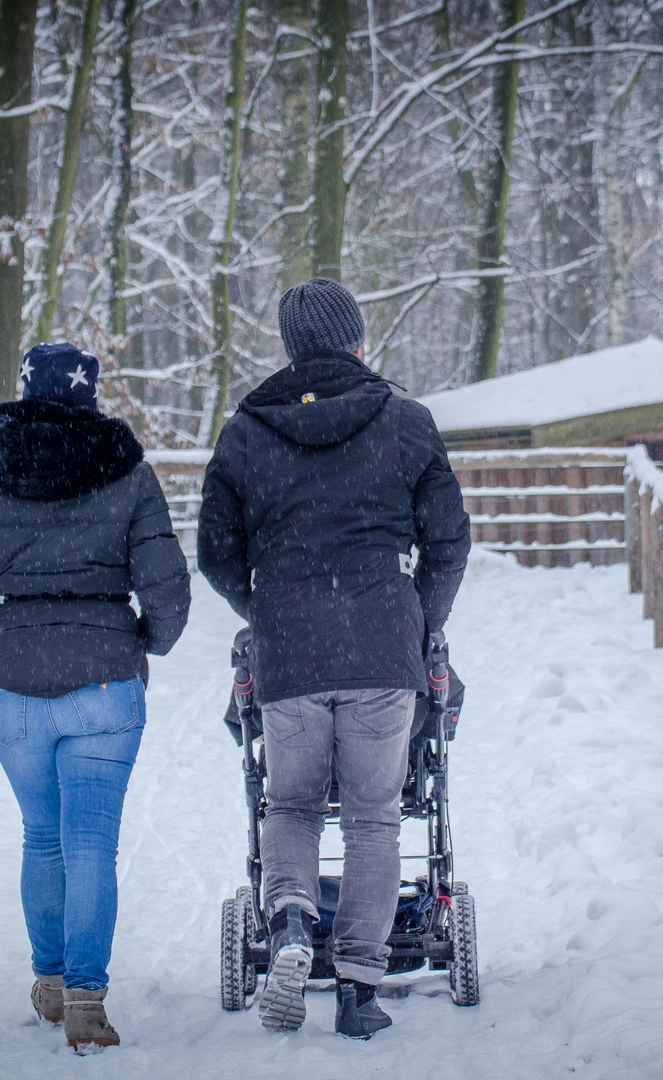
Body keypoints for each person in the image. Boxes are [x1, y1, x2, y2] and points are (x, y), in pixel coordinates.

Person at [197, 278, 471, 1038]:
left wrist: (270, 607)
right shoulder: (406, 422)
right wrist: (423, 619)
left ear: (290, 347)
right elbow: (449, 540)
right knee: (375, 818)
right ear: (357, 340)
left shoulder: (248, 431)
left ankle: (288, 924)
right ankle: (357, 985)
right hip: (384, 646)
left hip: (290, 650)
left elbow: (215, 550)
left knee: (287, 804)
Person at [0, 342, 190, 1051]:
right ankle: (84, 997)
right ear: (89, 396)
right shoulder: (127, 475)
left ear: (22, 393)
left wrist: (5, 630)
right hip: (105, 683)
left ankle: (48, 983)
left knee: (42, 837)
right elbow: (168, 588)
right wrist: (143, 640)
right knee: (90, 843)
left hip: (15, 689)